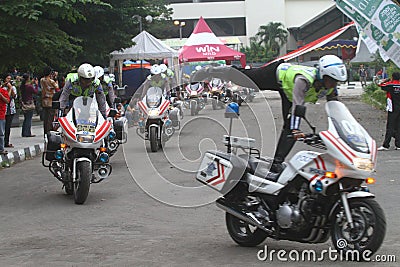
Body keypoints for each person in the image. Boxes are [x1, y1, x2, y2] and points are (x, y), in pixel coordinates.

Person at [193, 55, 347, 173]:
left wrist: (344, 131)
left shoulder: (331, 87)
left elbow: (336, 108)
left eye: (335, 82)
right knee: (245, 78)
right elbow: (297, 105)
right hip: (276, 75)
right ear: (322, 74)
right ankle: (211, 70)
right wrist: (296, 129)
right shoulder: (303, 80)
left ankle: (277, 163)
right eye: (331, 80)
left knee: (290, 129)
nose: (333, 85)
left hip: (287, 92)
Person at [377, 72, 400, 151]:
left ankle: (386, 145)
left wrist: (386, 80)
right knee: (398, 126)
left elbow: (380, 84)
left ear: (392, 77)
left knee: (390, 127)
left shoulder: (390, 85)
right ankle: (398, 144)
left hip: (392, 108)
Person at [40, 66, 59, 135]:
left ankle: (45, 131)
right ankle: (49, 132)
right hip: (51, 100)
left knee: (45, 118)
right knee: (50, 118)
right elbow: (57, 88)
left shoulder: (42, 80)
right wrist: (56, 79)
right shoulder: (51, 81)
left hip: (44, 100)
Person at [2, 75, 17, 148]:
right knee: (2, 127)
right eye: (8, 78)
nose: (9, 80)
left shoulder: (13, 87)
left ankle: (6, 141)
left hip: (10, 109)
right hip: (3, 110)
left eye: (10, 79)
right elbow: (6, 98)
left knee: (8, 127)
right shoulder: (2, 88)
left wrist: (11, 88)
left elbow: (14, 96)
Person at [0, 81, 10, 154]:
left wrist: (1, 95)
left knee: (1, 133)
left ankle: (1, 149)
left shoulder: (3, 91)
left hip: (1, 115)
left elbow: (7, 101)